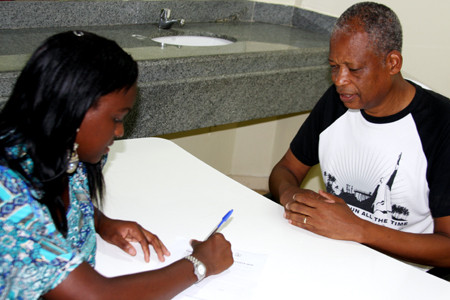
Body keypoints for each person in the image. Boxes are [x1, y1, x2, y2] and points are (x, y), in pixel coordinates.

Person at [0, 30, 233, 299]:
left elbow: (56, 204)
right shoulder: (8, 194)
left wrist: (101, 222)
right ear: (74, 109)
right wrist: (199, 264)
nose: (120, 132)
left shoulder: (67, 149)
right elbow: (97, 296)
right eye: (116, 118)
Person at [269, 2, 450, 270]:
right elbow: (285, 169)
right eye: (334, 66)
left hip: (408, 273)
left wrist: (357, 229)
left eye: (354, 69)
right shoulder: (338, 101)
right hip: (333, 255)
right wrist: (292, 197)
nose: (340, 80)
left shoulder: (440, 124)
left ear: (392, 63)